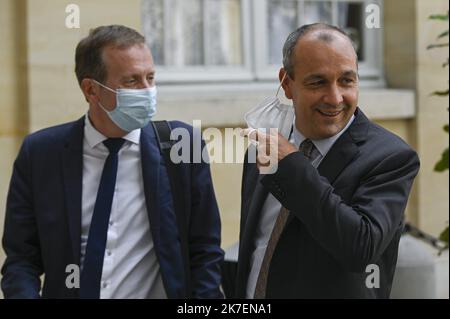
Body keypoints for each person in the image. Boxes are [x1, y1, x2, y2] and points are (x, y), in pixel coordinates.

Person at [1, 25, 224, 299]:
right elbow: (21, 260)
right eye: (132, 81)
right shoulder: (41, 153)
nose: (147, 91)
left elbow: (205, 252)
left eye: (150, 78)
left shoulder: (181, 145)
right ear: (91, 89)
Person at [237, 23, 420, 299]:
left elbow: (360, 248)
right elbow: (256, 247)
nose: (335, 98)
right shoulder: (262, 150)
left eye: (346, 80)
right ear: (287, 84)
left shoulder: (391, 157)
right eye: (317, 82)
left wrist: (294, 167)